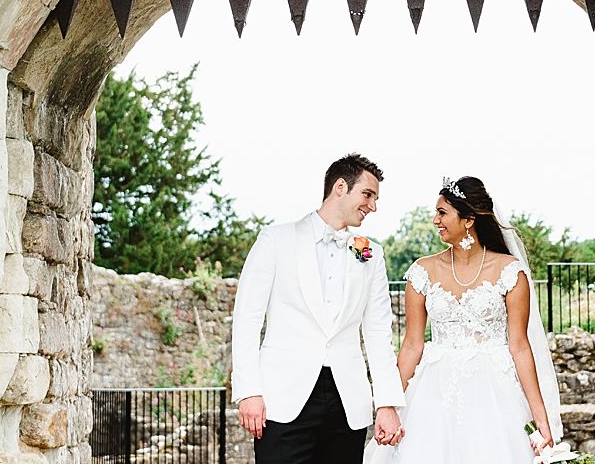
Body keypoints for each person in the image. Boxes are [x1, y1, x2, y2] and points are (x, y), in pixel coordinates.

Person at [364, 176, 563, 464]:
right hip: (433, 394)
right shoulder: (422, 271)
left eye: (442, 212)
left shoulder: (510, 272)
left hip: (495, 396)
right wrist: (389, 404)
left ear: (468, 219)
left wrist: (540, 418)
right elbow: (411, 345)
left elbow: (519, 347)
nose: (435, 220)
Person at [231, 153, 406, 463]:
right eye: (368, 194)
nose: (373, 206)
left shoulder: (371, 254)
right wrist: (248, 392)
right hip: (283, 400)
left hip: (347, 403)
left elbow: (379, 333)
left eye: (376, 198)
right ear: (340, 187)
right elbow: (247, 320)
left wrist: (387, 404)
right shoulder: (275, 240)